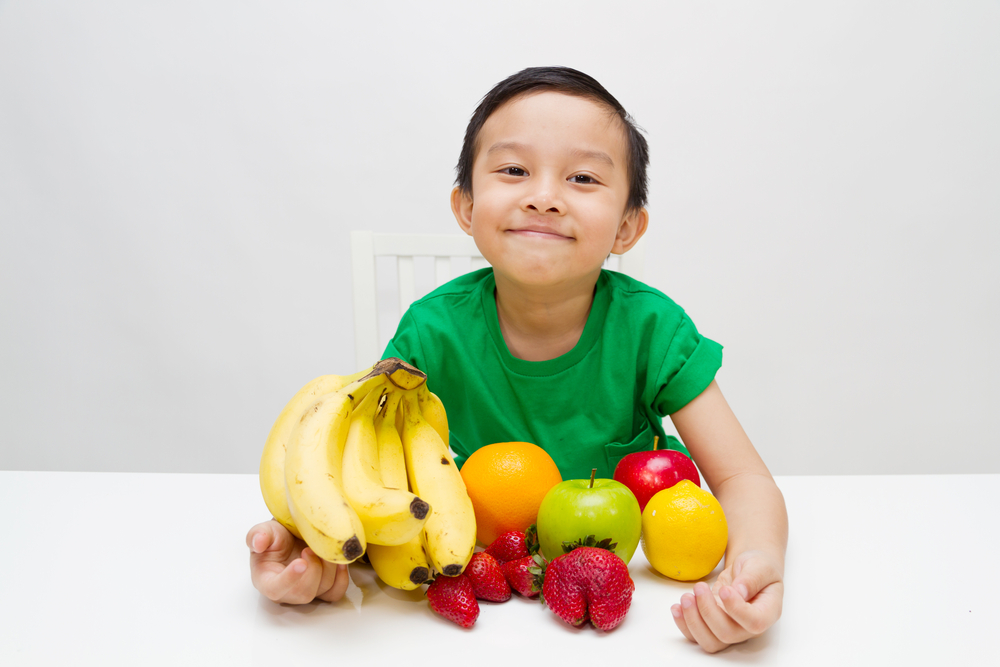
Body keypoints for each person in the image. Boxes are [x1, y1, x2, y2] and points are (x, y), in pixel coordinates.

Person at [247, 66, 787, 653]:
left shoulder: (653, 329)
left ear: (627, 226)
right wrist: (313, 552)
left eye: (582, 177)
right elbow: (366, 478)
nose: (544, 197)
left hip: (629, 619)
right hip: (477, 622)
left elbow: (742, 478)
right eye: (513, 171)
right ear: (466, 206)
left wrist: (755, 566)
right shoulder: (431, 333)